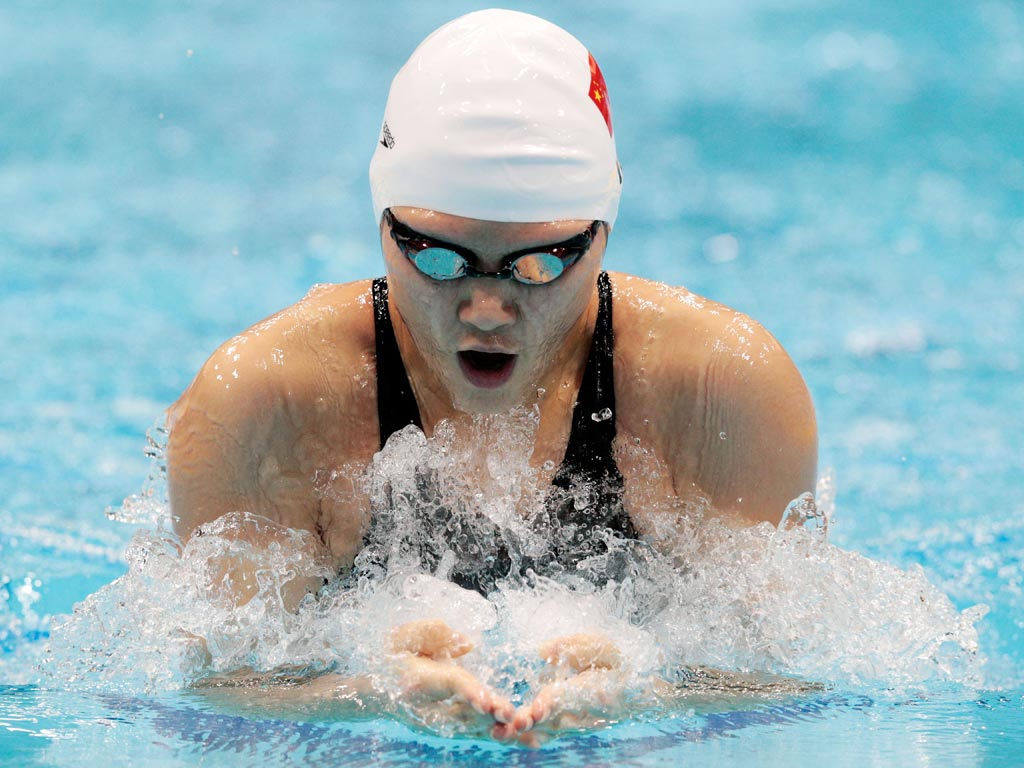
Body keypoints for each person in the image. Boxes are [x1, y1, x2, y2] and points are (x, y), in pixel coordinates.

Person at [166, 8, 817, 745]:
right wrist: (371, 694)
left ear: (603, 232)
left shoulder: (720, 389)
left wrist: (644, 692)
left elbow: (784, 680)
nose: (485, 309)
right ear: (382, 222)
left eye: (539, 264)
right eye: (437, 256)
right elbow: (220, 693)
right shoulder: (266, 400)